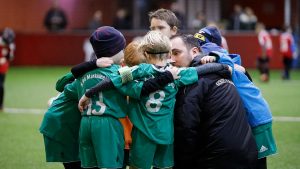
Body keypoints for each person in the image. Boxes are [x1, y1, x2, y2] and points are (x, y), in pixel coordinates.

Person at [76, 31, 230, 169]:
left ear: (146, 54)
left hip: (143, 134)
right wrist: (225, 67)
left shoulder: (140, 70)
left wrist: (88, 93)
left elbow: (112, 81)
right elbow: (202, 70)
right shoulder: (178, 74)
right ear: (169, 53)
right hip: (166, 134)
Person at [194, 25, 277, 169]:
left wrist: (214, 56)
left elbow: (224, 59)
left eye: (204, 47)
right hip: (249, 117)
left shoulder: (222, 59)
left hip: (258, 118)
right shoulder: (231, 64)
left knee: (258, 160)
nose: (200, 53)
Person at [170, 33, 258, 169]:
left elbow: (186, 129)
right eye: (168, 55)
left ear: (194, 51)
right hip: (249, 155)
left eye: (176, 53)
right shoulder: (223, 69)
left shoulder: (192, 81)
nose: (171, 59)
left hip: (217, 160)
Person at [63, 26, 129, 168]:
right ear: (114, 50)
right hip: (108, 125)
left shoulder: (83, 75)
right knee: (110, 165)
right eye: (122, 48)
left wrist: (88, 66)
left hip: (86, 124)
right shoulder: (120, 72)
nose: (124, 52)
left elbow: (61, 86)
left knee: (89, 165)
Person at [0, 27, 15, 111]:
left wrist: (5, 59)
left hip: (2, 67)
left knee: (1, 85)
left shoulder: (11, 45)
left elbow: (10, 57)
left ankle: (1, 104)